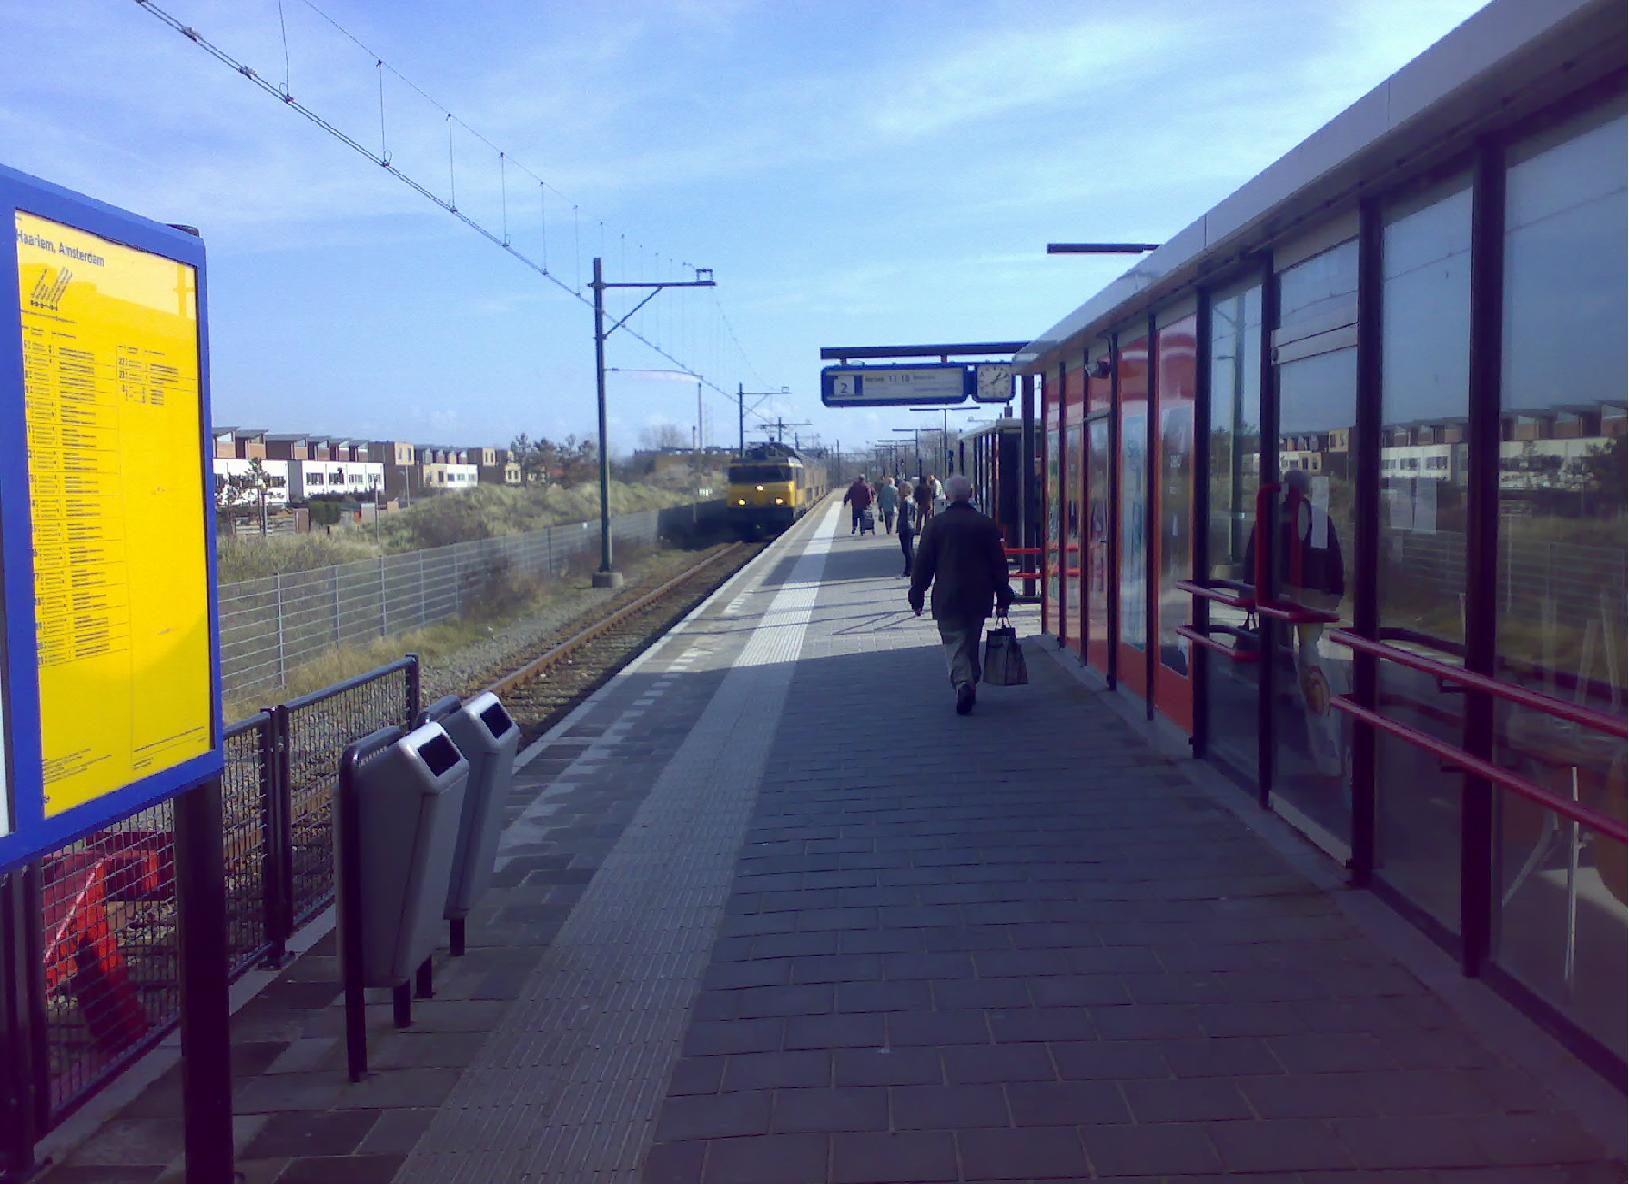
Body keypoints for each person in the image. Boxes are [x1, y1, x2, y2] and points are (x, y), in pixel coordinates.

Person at [908, 474, 1015, 715]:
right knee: (970, 642)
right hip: (979, 596)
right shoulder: (985, 524)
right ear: (971, 494)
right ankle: (970, 680)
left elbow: (923, 564)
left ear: (947, 496)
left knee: (954, 642)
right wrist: (1003, 595)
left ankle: (963, 682)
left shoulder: (935, 525)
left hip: (947, 596)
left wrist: (917, 594)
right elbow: (999, 564)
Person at [896, 481, 917, 576]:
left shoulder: (905, 501)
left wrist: (900, 527)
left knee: (906, 550)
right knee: (909, 549)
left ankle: (909, 570)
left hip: (905, 527)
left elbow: (904, 516)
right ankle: (912, 568)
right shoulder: (911, 500)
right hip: (910, 526)